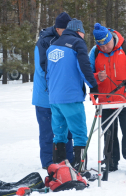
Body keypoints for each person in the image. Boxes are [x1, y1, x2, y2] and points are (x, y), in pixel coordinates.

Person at [89, 23, 126, 176]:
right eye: (100, 46)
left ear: (111, 39)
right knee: (108, 132)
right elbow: (88, 73)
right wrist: (97, 77)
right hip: (105, 99)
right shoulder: (94, 52)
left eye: (106, 44)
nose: (104, 48)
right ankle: (110, 162)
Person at [46, 18, 98, 171]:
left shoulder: (52, 46)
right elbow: (84, 67)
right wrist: (93, 86)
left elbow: (47, 74)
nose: (83, 37)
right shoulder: (77, 43)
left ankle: (59, 169)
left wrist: (52, 92)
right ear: (78, 31)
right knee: (80, 134)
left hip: (54, 98)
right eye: (83, 33)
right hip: (70, 97)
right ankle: (80, 169)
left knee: (59, 134)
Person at [32, 12, 74, 169]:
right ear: (58, 28)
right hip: (45, 95)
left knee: (66, 129)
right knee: (48, 132)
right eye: (65, 30)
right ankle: (49, 163)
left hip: (61, 95)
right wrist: (56, 88)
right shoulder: (44, 42)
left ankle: (68, 161)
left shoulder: (67, 39)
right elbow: (44, 69)